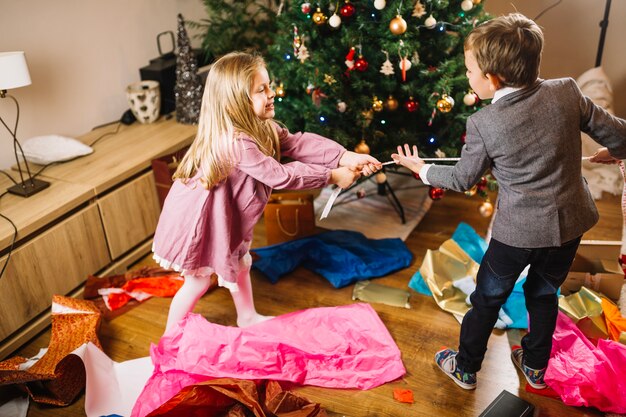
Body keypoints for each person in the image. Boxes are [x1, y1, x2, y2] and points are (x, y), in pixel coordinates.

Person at [392, 13, 626, 390]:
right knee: (544, 292)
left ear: (493, 79)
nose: (467, 77)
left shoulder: (484, 123)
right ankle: (535, 366)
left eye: (470, 71)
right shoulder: (566, 90)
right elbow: (618, 133)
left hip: (516, 236)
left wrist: (422, 169)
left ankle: (466, 368)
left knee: (487, 297)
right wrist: (613, 150)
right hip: (569, 224)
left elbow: (462, 178)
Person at [153, 51, 381, 331]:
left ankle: (247, 317)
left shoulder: (263, 126)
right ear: (237, 101)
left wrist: (345, 157)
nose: (271, 94)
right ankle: (169, 340)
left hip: (225, 214)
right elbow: (280, 176)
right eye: (262, 90)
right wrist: (332, 175)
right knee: (198, 281)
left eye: (269, 86)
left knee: (241, 263)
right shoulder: (235, 142)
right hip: (200, 219)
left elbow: (297, 144)